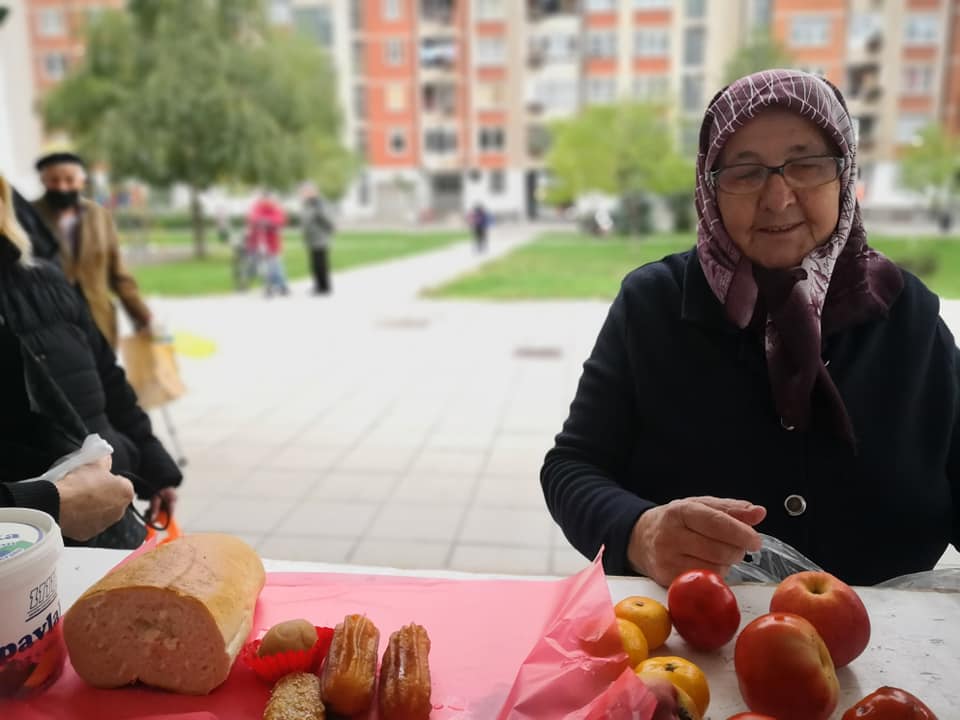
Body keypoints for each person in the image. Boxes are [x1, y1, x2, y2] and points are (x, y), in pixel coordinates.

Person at [541, 69, 959, 588]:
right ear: (709, 187)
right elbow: (572, 467)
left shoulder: (905, 313)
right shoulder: (653, 305)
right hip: (692, 630)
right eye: (745, 172)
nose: (778, 198)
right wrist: (640, 533)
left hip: (888, 637)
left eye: (807, 165)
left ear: (845, 174)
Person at [1, 174, 182, 548]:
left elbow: (108, 378)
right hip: (26, 551)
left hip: (114, 513)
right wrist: (46, 503)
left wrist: (154, 465)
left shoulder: (47, 280)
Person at [31, 151, 153, 349]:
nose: (62, 187)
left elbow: (118, 273)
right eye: (54, 180)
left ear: (82, 181)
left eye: (69, 180)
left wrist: (143, 316)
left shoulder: (100, 216)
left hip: (98, 323)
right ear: (43, 181)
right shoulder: (27, 216)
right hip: (48, 327)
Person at [247, 192, 288, 297]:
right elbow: (253, 218)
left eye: (268, 199)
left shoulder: (275, 208)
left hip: (272, 241)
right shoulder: (256, 207)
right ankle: (267, 285)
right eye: (264, 199)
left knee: (275, 264)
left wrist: (268, 222)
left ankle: (282, 285)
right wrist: (261, 221)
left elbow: (280, 220)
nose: (266, 201)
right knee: (262, 264)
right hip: (259, 241)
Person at [301, 188, 335, 294]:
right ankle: (318, 286)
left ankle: (324, 287)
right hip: (311, 239)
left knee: (321, 263)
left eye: (306, 192)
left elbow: (326, 218)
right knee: (315, 264)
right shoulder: (308, 204)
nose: (304, 194)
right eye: (304, 192)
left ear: (314, 192)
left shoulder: (319, 203)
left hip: (320, 238)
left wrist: (330, 229)